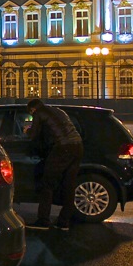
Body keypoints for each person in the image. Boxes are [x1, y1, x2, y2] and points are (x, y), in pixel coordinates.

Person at [25, 98, 83, 230]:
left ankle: (43, 220)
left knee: (47, 184)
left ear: (33, 109)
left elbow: (33, 135)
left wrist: (27, 130)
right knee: (69, 185)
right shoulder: (58, 111)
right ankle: (64, 222)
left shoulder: (39, 113)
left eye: (31, 113)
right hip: (78, 146)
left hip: (62, 148)